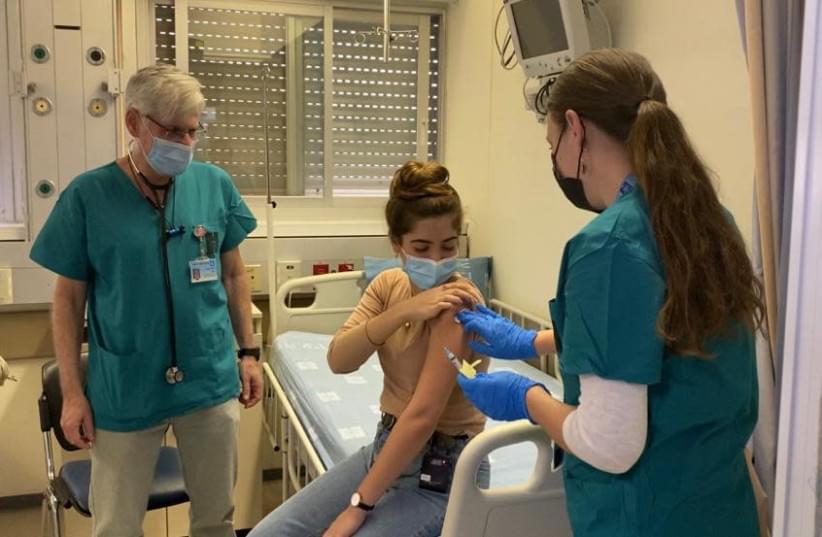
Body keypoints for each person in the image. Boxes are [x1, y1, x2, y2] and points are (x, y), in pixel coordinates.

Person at [455, 49, 764, 537]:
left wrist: (528, 397)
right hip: (720, 511)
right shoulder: (706, 222)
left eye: (552, 144)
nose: (555, 160)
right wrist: (533, 342)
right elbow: (665, 335)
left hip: (645, 518)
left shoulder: (608, 246)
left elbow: (610, 443)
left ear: (575, 129)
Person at [30, 65, 262, 537]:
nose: (186, 142)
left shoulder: (214, 184)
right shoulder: (89, 196)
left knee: (216, 520)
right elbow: (68, 301)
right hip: (126, 386)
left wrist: (249, 352)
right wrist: (73, 394)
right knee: (116, 525)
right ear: (134, 122)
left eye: (193, 130)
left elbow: (234, 274)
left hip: (209, 377)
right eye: (173, 131)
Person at [249, 161, 485, 537]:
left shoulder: (459, 306)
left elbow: (422, 416)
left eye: (448, 246)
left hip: (442, 473)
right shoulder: (389, 286)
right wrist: (404, 311)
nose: (437, 260)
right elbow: (339, 359)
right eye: (421, 247)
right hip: (384, 448)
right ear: (397, 245)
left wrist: (358, 506)